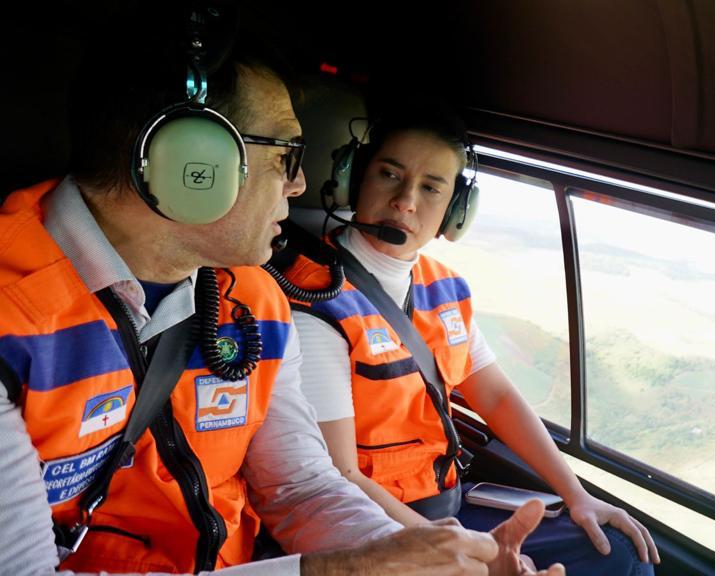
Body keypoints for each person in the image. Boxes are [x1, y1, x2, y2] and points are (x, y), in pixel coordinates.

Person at [0, 5, 561, 575]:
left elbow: (299, 487)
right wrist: (332, 571)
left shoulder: (255, 300)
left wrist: (419, 560)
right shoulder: (10, 322)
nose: (298, 185)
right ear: (194, 164)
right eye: (287, 154)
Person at [274, 103, 661, 575]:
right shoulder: (314, 300)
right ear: (357, 179)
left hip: (454, 505)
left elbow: (495, 395)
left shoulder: (445, 287)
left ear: (455, 210)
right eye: (389, 175)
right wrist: (443, 553)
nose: (405, 201)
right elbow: (340, 475)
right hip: (375, 526)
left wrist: (577, 495)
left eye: (431, 188)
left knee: (618, 553)